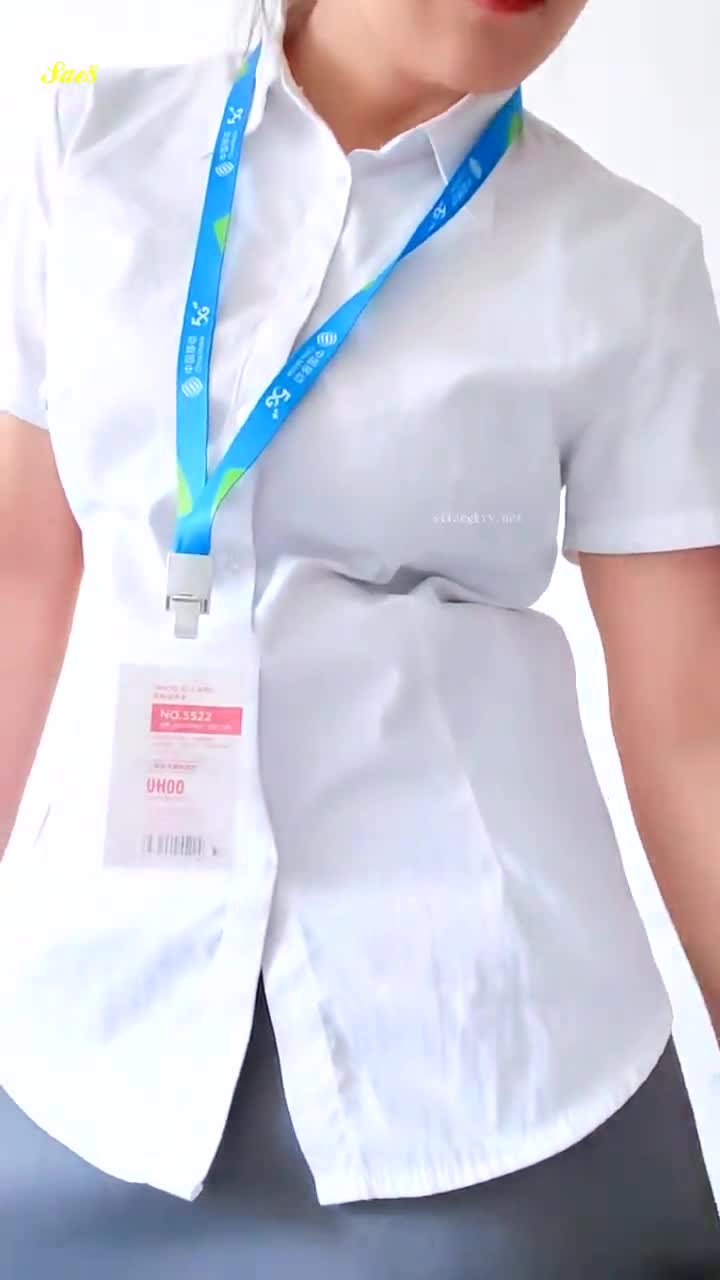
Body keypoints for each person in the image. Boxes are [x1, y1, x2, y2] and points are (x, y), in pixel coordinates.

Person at [0, 0, 719, 1275]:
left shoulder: (629, 260)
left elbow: (692, 736)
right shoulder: (85, 149)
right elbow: (14, 582)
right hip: (86, 1058)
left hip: (493, 1085)